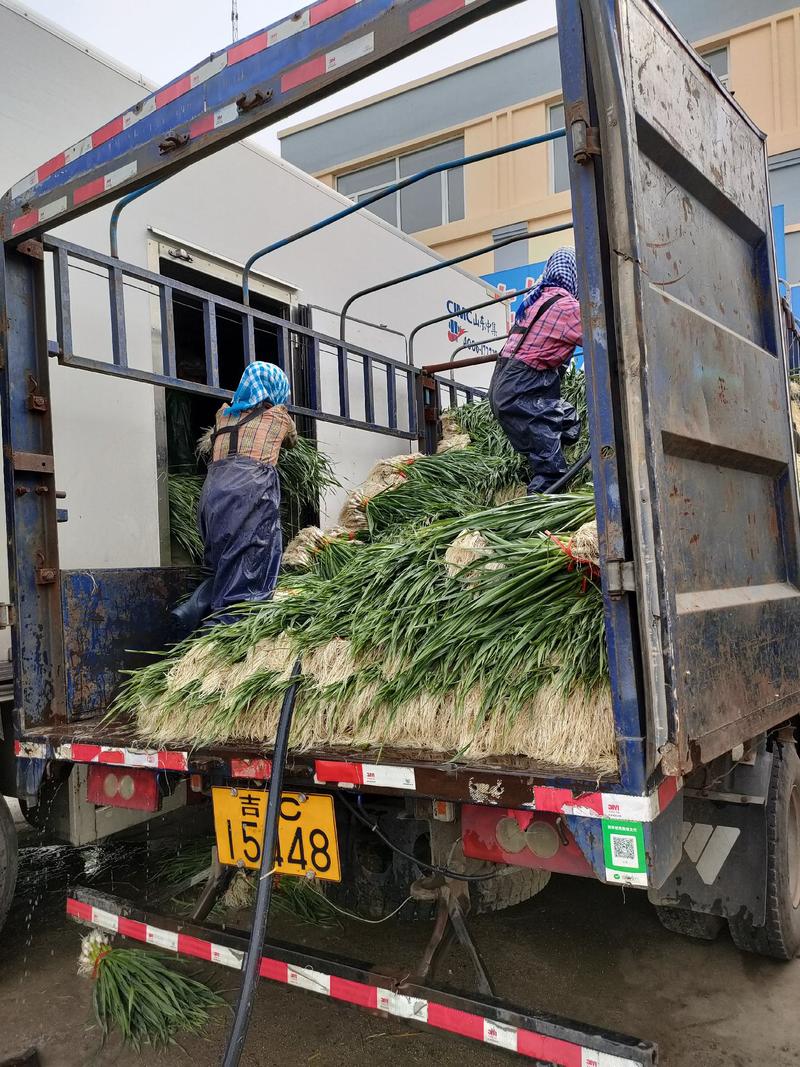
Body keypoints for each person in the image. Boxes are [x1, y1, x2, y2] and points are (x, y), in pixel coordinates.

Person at [174, 361, 297, 630]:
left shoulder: (223, 415)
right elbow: (292, 442)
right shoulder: (280, 417)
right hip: (249, 491)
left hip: (213, 492)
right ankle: (227, 630)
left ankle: (196, 609)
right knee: (252, 559)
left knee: (220, 560)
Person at [489, 247, 583, 494]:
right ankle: (539, 522)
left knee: (567, 419)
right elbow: (602, 337)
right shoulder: (567, 307)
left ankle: (551, 449)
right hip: (523, 392)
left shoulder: (535, 300)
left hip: (505, 388)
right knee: (551, 473)